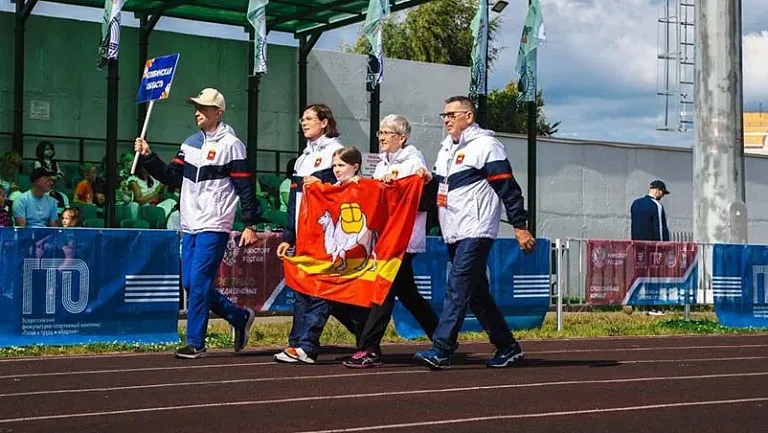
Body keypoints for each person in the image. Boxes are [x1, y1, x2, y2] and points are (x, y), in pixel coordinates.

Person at [134, 87, 262, 359]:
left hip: (215, 223)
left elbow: (245, 187)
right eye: (196, 107)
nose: (197, 112)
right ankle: (238, 317)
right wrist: (148, 156)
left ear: (218, 112)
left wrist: (250, 223)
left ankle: (196, 342)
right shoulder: (189, 142)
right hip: (189, 222)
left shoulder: (232, 145)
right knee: (191, 284)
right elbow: (171, 177)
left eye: (203, 108)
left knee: (200, 281)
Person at [414, 96, 536, 370]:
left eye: (451, 114)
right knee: (476, 293)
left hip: (477, 229)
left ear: (468, 116)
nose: (446, 119)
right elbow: (441, 192)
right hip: (453, 231)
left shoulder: (486, 146)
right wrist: (428, 182)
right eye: (443, 115)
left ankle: (441, 348)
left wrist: (520, 226)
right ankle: (507, 346)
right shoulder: (446, 150)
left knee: (457, 287)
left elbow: (508, 188)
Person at [342, 115, 439, 369]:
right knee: (409, 295)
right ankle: (442, 338)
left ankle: (369, 348)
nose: (382, 137)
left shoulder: (413, 162)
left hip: (403, 239)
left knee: (382, 292)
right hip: (385, 238)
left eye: (387, 133)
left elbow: (415, 193)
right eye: (380, 133)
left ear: (402, 138)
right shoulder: (381, 163)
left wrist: (395, 186)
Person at [274, 103, 362, 364]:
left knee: (321, 288)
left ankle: (306, 344)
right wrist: (289, 235)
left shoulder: (336, 151)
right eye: (302, 118)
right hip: (303, 232)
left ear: (325, 122)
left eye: (310, 118)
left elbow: (343, 190)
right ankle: (300, 343)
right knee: (303, 287)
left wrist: (323, 183)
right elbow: (294, 200)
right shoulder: (302, 158)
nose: (304, 122)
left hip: (326, 233)